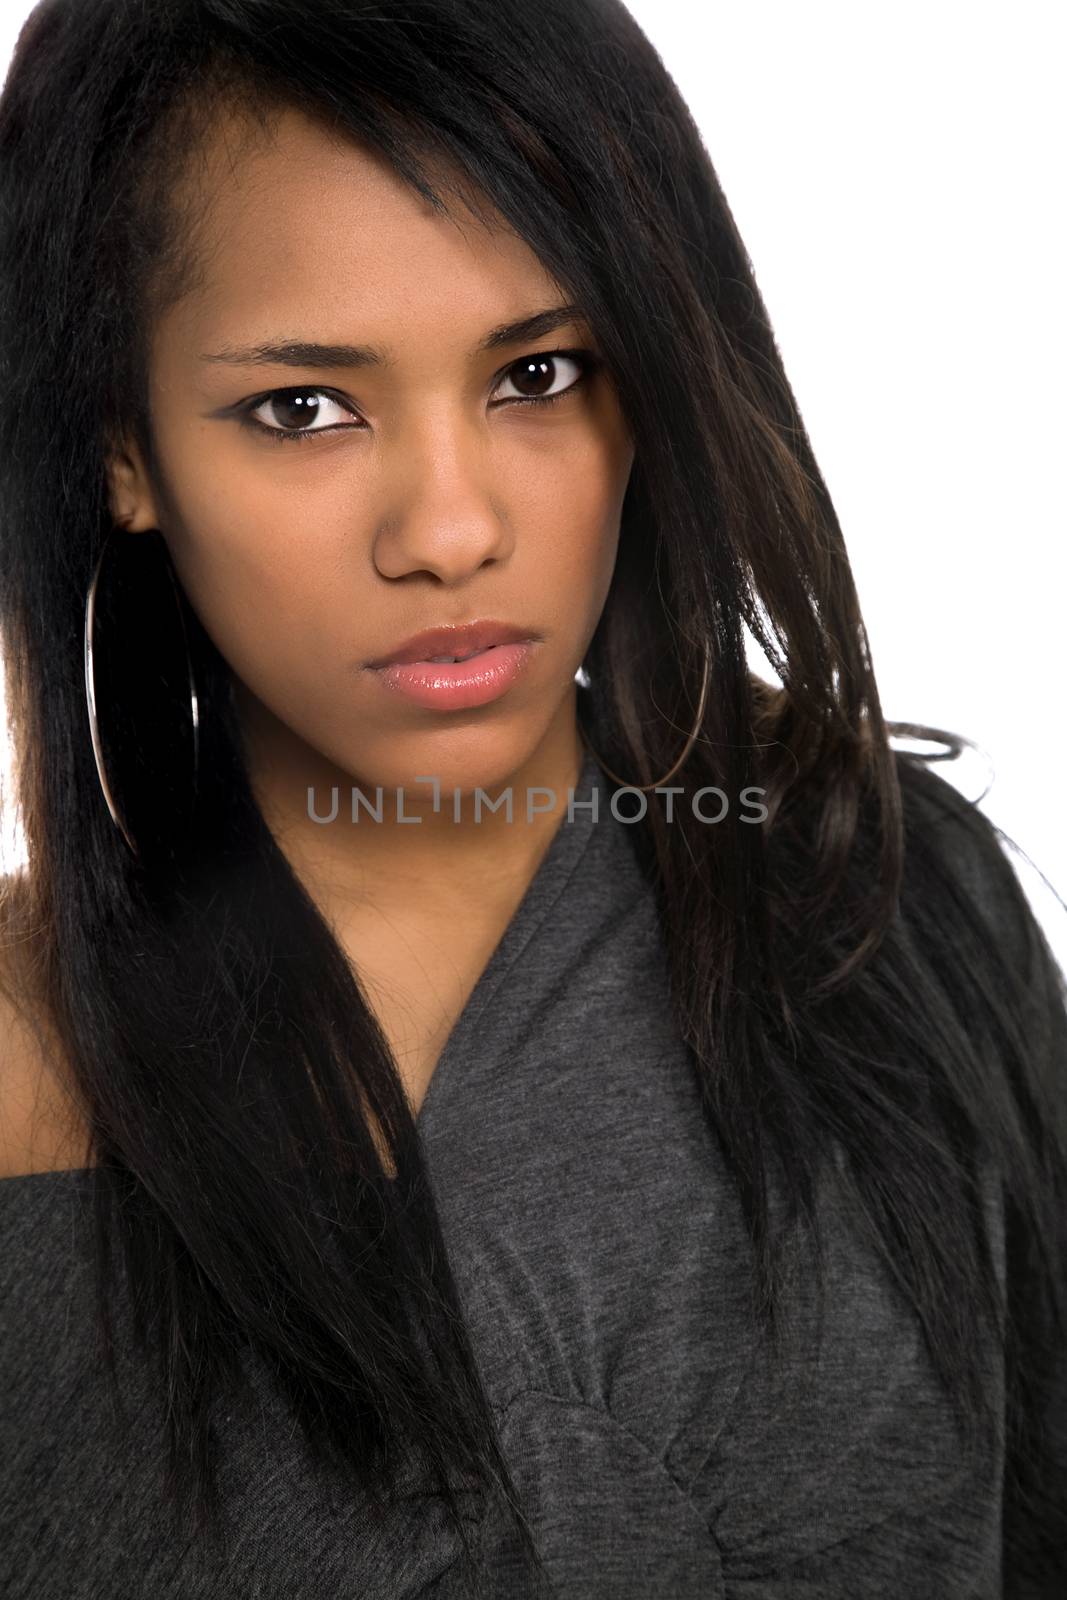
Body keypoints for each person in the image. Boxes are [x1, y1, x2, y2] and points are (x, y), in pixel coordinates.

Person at [0, 1, 1063, 1595]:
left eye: (539, 372)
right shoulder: (22, 1071)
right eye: (305, 407)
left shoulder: (887, 908)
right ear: (122, 452)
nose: (450, 530)